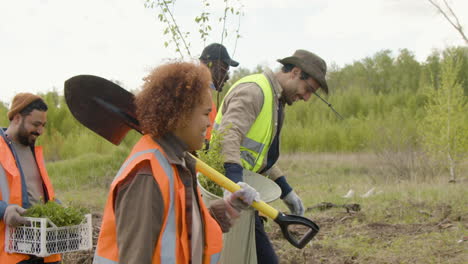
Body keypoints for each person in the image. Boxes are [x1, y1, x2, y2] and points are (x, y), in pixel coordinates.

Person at [93, 61, 259, 264]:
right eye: (206, 113)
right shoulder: (147, 174)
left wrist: (230, 207)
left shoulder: (178, 162)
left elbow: (182, 232)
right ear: (182, 114)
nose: (209, 123)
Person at [213, 49, 329, 263]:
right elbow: (228, 137)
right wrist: (235, 184)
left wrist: (287, 192)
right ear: (295, 72)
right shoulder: (255, 91)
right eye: (308, 89)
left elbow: (260, 156)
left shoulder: (275, 101)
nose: (306, 97)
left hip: (243, 196)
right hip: (223, 196)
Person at [0, 93, 61, 264]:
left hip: (45, 251)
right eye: (35, 124)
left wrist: (57, 207)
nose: (40, 131)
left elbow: (37, 194)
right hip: (11, 253)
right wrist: (4, 211)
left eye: (43, 125)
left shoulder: (33, 149)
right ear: (17, 118)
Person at [199, 43, 239, 142]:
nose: (227, 77)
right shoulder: (195, 96)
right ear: (211, 65)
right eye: (224, 70)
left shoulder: (206, 97)